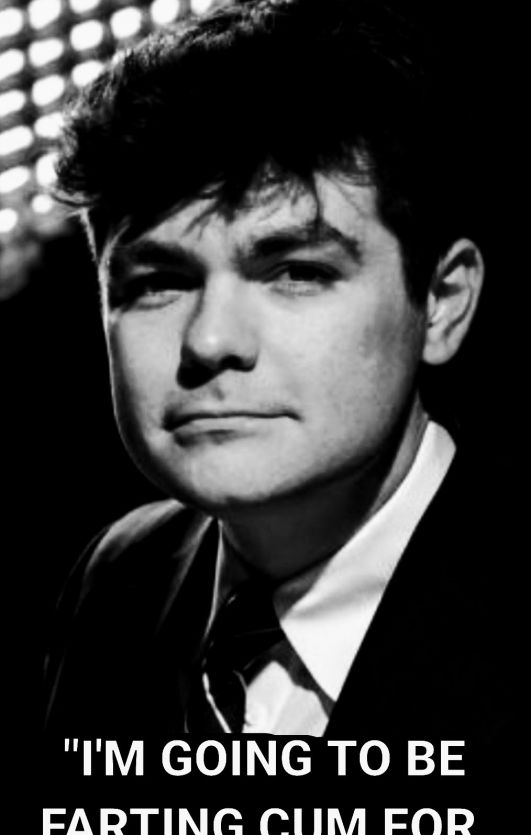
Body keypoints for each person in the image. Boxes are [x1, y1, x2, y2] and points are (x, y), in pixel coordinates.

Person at [44, 0, 513, 744]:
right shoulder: (118, 577)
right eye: (158, 282)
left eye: (296, 272)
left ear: (442, 304)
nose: (210, 340)